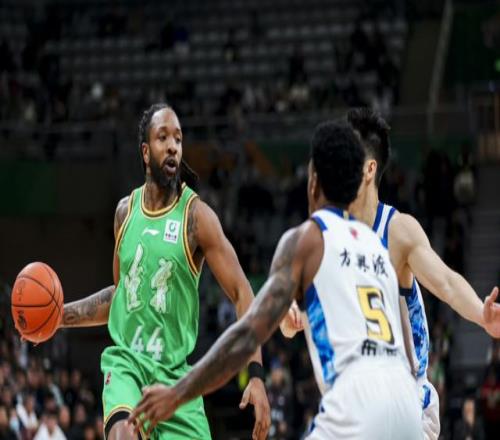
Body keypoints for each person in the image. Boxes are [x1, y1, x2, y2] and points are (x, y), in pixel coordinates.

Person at [128, 120, 422, 439]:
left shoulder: (307, 239)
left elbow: (247, 335)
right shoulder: (377, 249)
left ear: (313, 182)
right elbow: (407, 349)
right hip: (408, 405)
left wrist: (177, 394)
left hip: (358, 405)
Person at [282, 108, 500, 440]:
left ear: (369, 169)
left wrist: (481, 315)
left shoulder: (398, 230)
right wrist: (290, 319)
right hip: (355, 400)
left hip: (406, 399)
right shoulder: (328, 235)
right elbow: (288, 324)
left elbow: (446, 282)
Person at [55, 103, 270, 439]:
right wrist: (58, 316)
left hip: (176, 382)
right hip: (128, 365)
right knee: (123, 434)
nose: (173, 146)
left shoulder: (196, 217)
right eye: (163, 137)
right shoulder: (125, 213)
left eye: (178, 139)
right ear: (145, 152)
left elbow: (243, 294)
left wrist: (255, 374)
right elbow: (123, 297)